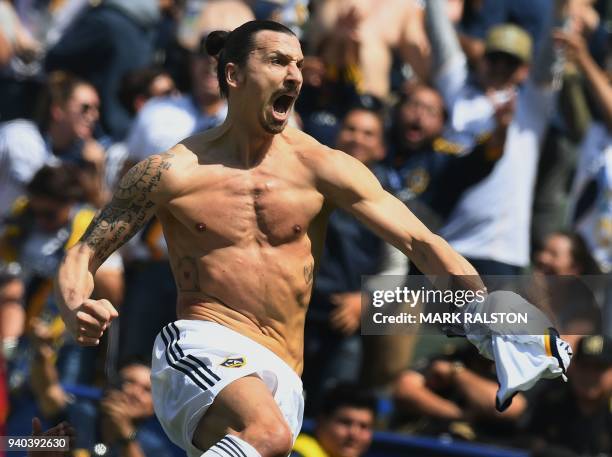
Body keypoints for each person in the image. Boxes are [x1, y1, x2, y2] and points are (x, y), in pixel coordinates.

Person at [54, 20, 564, 457]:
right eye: (277, 61)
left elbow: (420, 241)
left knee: (270, 434)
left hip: (284, 376)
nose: (294, 75)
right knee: (268, 435)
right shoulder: (170, 171)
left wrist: (487, 311)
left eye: (297, 63)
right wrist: (77, 301)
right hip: (200, 345)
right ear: (233, 75)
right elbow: (84, 252)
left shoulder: (323, 166)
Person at [291, 383, 376, 457]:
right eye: (345, 422)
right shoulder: (295, 453)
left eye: (364, 426)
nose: (354, 433)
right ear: (321, 422)